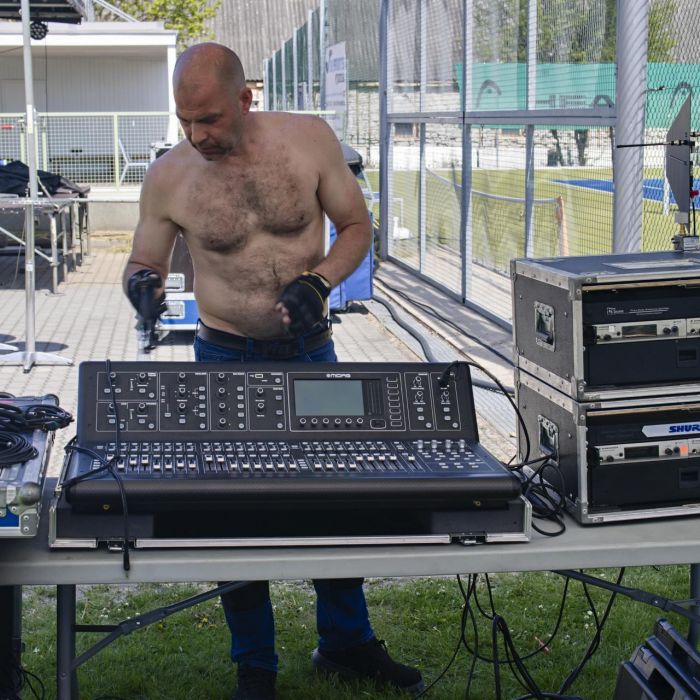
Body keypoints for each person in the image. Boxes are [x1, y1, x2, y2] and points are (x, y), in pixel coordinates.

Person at [123, 43, 424, 700]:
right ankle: (255, 666)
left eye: (209, 119)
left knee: (336, 501)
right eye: (185, 121)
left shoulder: (308, 141)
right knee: (231, 512)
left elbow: (356, 226)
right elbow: (146, 259)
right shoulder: (169, 176)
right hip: (223, 359)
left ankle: (345, 643)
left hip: (310, 354)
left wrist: (318, 282)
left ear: (245, 99)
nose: (197, 135)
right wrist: (141, 286)